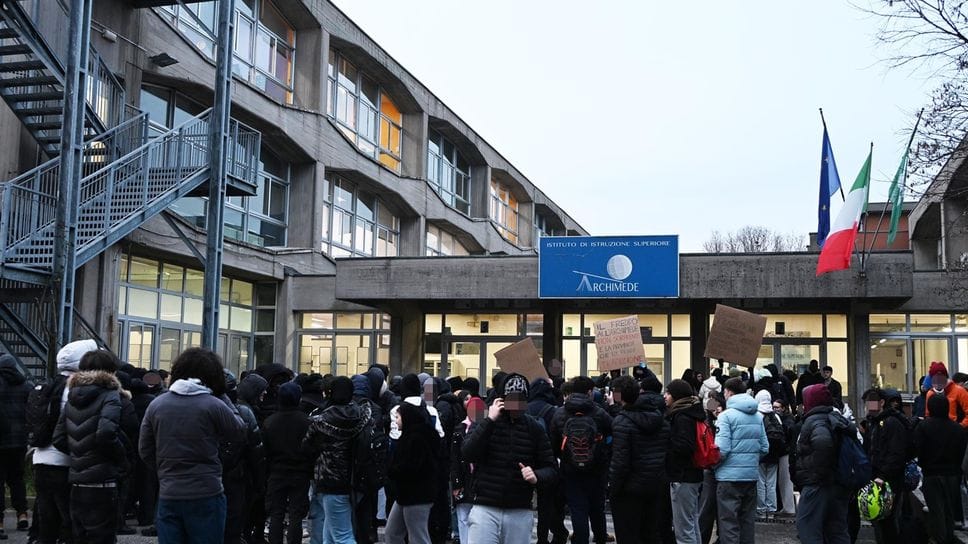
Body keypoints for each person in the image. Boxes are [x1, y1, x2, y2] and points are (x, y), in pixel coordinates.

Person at [139, 347, 246, 544]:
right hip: (207, 490)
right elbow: (239, 430)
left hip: (169, 491)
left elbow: (145, 449)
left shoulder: (157, 405)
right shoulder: (213, 404)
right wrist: (222, 395)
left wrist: (164, 469)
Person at [461, 373, 557, 544]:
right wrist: (489, 421)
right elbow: (468, 453)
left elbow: (551, 469)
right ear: (502, 399)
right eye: (511, 399)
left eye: (521, 399)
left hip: (519, 509)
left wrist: (536, 475)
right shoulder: (486, 421)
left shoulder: (534, 427)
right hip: (485, 507)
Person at [51, 350, 127, 544]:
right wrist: (122, 457)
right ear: (111, 372)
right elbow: (106, 433)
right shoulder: (110, 395)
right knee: (103, 537)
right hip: (103, 482)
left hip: (77, 481)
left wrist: (79, 453)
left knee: (80, 537)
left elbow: (58, 438)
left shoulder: (72, 396)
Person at [31, 339, 96, 544]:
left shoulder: (45, 386)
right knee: (69, 522)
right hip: (65, 462)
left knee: (46, 520)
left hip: (40, 458)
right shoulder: (74, 390)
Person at [303, 376, 372, 544]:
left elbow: (306, 447)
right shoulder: (362, 416)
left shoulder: (321, 421)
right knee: (331, 534)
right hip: (354, 479)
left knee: (342, 536)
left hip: (330, 480)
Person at [550, 376, 613, 544]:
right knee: (597, 509)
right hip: (597, 470)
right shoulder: (599, 412)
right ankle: (600, 538)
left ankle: (581, 540)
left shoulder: (560, 413)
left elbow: (553, 443)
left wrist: (563, 457)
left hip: (570, 470)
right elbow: (613, 430)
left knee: (578, 509)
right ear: (590, 392)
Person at [610, 374, 669, 543]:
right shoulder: (661, 419)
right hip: (656, 484)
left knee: (628, 534)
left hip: (629, 488)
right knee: (651, 533)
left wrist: (614, 488)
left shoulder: (622, 422)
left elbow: (620, 462)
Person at [794, 384, 853, 544]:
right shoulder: (834, 418)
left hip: (817, 484)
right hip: (836, 483)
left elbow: (823, 444)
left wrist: (812, 473)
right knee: (836, 529)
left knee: (808, 527)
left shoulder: (816, 421)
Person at [714, 377, 768, 544]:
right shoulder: (758, 416)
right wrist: (750, 460)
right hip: (750, 476)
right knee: (747, 522)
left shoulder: (725, 417)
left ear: (728, 392)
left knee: (729, 523)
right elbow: (765, 448)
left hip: (728, 477)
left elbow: (721, 450)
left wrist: (713, 465)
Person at [263, 382, 313, 544]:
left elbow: (266, 451)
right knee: (296, 515)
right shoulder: (306, 422)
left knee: (276, 513)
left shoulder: (270, 422)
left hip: (277, 471)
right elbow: (312, 448)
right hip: (300, 472)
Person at [385, 402, 438, 544]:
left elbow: (412, 467)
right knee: (393, 532)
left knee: (417, 536)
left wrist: (391, 470)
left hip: (417, 495)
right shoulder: (417, 434)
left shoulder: (416, 438)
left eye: (398, 417)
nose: (395, 421)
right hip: (407, 494)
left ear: (406, 417)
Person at [918, 393, 967, 544]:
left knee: (936, 510)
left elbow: (919, 449)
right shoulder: (957, 429)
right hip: (952, 474)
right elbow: (961, 453)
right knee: (948, 510)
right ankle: (947, 537)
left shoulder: (924, 426)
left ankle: (938, 539)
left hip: (931, 474)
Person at [865, 388, 912, 544]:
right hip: (879, 477)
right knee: (880, 520)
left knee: (888, 520)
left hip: (888, 479)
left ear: (882, 403)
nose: (868, 407)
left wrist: (882, 475)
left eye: (870, 403)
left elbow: (895, 454)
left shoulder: (891, 423)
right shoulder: (876, 422)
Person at [664, 379, 705, 544]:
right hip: (693, 474)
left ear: (677, 396)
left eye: (668, 393)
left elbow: (684, 446)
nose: (665, 396)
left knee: (683, 529)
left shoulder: (682, 417)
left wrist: (667, 444)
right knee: (692, 523)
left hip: (682, 476)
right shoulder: (693, 412)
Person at [528, 378, 568, 544]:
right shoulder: (554, 411)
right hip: (548, 462)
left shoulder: (524, 409)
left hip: (526, 461)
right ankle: (545, 537)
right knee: (547, 503)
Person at [0, 354, 32, 536]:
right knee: (17, 479)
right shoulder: (26, 386)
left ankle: (0, 523)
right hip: (19, 441)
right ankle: (22, 515)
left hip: (1, 441)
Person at [451, 396, 485, 544]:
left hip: (480, 481)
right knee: (463, 516)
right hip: (464, 478)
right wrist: (456, 482)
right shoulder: (460, 429)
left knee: (479, 519)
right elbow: (455, 458)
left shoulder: (487, 428)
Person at [699, 392, 725, 544]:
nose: (716, 409)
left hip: (716, 468)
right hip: (711, 468)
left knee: (712, 509)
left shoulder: (723, 421)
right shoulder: (708, 422)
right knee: (707, 509)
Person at [755, 390, 784, 520]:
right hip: (774, 454)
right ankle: (771, 510)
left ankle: (761, 510)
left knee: (760, 482)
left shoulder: (757, 415)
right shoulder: (776, 416)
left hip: (761, 454)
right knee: (771, 483)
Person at [772, 398, 796, 518]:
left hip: (785, 453)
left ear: (784, 408)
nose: (775, 410)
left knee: (785, 481)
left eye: (777, 407)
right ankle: (787, 507)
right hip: (784, 452)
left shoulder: (787, 421)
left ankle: (789, 508)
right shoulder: (786, 420)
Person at [926, 362, 968, 427]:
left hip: (955, 431)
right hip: (936, 431)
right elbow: (928, 415)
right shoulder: (930, 393)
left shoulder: (960, 391)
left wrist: (960, 427)